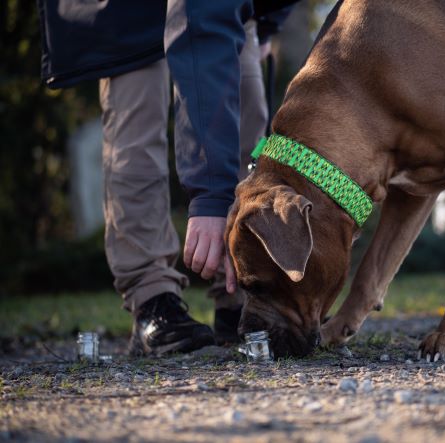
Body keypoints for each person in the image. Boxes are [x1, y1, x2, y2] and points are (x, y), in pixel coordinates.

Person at [37, 0, 296, 355]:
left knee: (246, 115)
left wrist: (267, 17)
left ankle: (242, 292)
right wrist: (211, 196)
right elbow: (199, 19)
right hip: (122, 10)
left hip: (223, 8)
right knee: (137, 129)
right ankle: (151, 297)